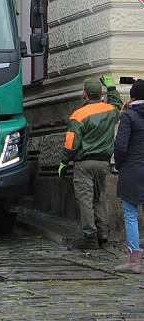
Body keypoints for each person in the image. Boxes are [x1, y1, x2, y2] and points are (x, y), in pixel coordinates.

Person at [58, 75, 122, 249]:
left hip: (84, 164)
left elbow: (72, 144)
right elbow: (118, 105)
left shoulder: (78, 115)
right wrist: (112, 88)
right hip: (103, 163)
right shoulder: (110, 111)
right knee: (99, 198)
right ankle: (103, 233)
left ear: (85, 94)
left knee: (85, 200)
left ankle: (89, 238)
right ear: (100, 94)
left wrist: (64, 162)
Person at [113, 78, 144, 274]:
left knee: (131, 214)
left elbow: (121, 146)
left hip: (132, 170)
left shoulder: (128, 116)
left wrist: (119, 164)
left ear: (132, 96)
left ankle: (134, 261)